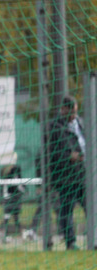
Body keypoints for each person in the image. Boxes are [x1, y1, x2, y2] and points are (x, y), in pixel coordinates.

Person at [46, 95, 87, 250]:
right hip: (66, 177)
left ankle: (94, 238)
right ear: (63, 109)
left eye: (75, 112)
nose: (74, 116)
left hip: (83, 174)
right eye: (71, 112)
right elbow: (52, 152)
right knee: (67, 210)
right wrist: (69, 156)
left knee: (90, 206)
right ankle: (70, 242)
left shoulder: (81, 123)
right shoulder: (55, 126)